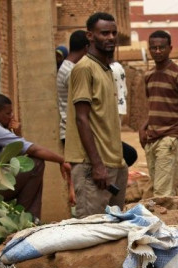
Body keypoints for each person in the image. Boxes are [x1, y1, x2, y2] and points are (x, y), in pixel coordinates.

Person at [0, 94, 72, 221]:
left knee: (26, 165)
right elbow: (33, 149)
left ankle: (27, 219)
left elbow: (16, 157)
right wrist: (62, 160)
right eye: (8, 113)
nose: (11, 116)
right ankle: (27, 219)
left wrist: (17, 134)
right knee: (36, 163)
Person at [65, 12, 126, 218]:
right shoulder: (84, 69)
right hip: (93, 165)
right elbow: (81, 118)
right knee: (91, 228)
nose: (110, 37)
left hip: (113, 162)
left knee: (114, 226)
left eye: (113, 33)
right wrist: (97, 165)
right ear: (90, 36)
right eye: (104, 33)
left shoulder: (106, 69)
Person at [139, 30, 178, 197]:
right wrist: (143, 128)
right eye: (153, 48)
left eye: (161, 48)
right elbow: (153, 106)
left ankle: (166, 221)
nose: (157, 51)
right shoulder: (148, 75)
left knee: (162, 194)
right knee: (163, 190)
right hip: (152, 139)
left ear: (170, 48)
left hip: (171, 138)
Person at [57, 30, 89, 146]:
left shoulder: (66, 67)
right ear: (86, 48)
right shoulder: (72, 72)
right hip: (73, 131)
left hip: (71, 129)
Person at [110, 59, 138, 167]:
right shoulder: (118, 66)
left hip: (112, 107)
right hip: (120, 106)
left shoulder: (109, 69)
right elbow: (124, 90)